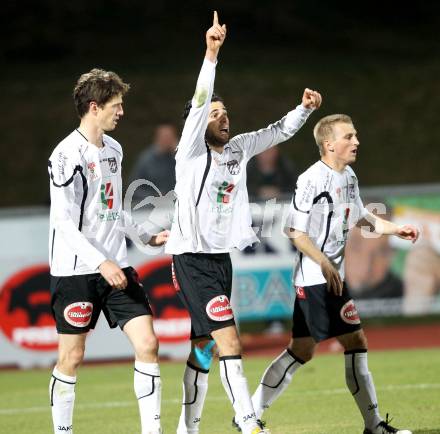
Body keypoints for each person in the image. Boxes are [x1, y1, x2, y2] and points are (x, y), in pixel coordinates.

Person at [165, 11, 322, 434]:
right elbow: (200, 102)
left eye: (225, 111)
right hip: (191, 258)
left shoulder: (237, 149)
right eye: (215, 113)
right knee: (229, 342)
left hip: (219, 259)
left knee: (201, 349)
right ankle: (248, 421)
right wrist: (211, 53)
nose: (222, 116)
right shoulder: (190, 153)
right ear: (197, 125)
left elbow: (276, 132)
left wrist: (303, 110)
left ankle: (187, 428)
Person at [247, 114, 419, 434]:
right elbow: (294, 231)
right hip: (315, 279)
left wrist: (396, 229)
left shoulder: (348, 176)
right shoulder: (311, 179)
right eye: (349, 136)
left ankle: (250, 413)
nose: (356, 142)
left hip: (332, 277)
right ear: (329, 145)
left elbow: (363, 216)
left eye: (355, 136)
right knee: (337, 343)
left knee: (313, 347)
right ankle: (373, 426)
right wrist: (324, 262)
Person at [47, 68, 168, 434]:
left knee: (148, 342)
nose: (122, 112)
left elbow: (112, 209)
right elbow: (63, 222)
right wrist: (100, 262)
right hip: (76, 271)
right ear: (95, 107)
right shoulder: (66, 155)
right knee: (72, 356)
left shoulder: (114, 149)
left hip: (117, 264)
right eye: (116, 105)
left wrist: (144, 236)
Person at [129, 122, 179, 202]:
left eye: (170, 138)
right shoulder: (146, 160)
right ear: (157, 139)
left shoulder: (180, 158)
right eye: (164, 138)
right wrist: (155, 196)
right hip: (151, 209)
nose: (167, 141)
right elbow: (134, 189)